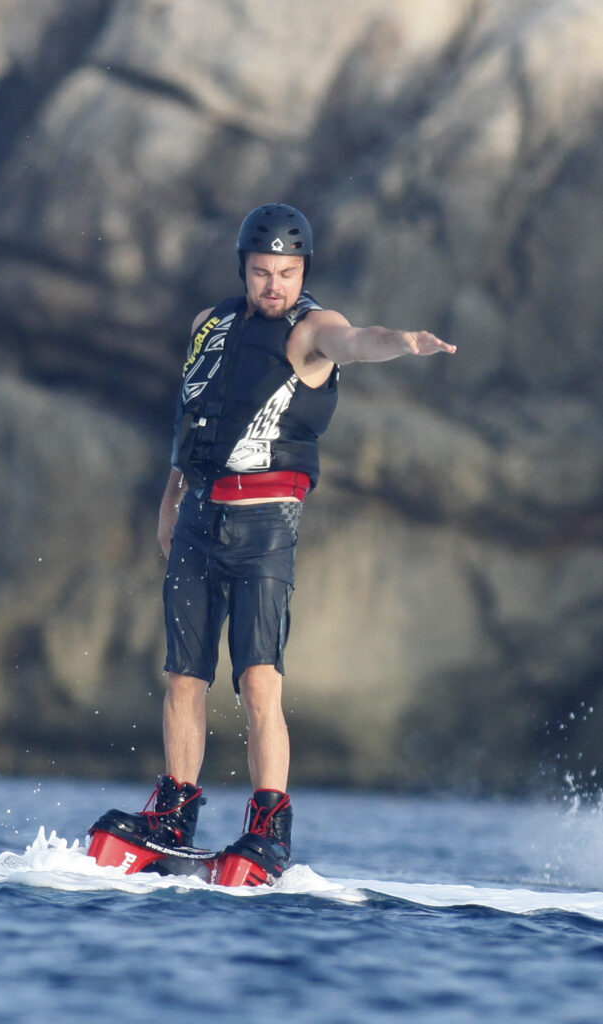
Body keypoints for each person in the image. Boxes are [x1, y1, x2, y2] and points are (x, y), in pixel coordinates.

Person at [94, 203, 456, 878]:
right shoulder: (209, 325)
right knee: (183, 677)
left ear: (303, 272)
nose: (273, 285)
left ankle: (268, 825)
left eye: (287, 273)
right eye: (262, 272)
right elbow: (193, 415)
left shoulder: (313, 329)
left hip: (264, 526)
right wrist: (171, 497)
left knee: (258, 680)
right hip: (198, 515)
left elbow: (358, 340)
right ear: (243, 269)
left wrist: (403, 340)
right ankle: (174, 812)